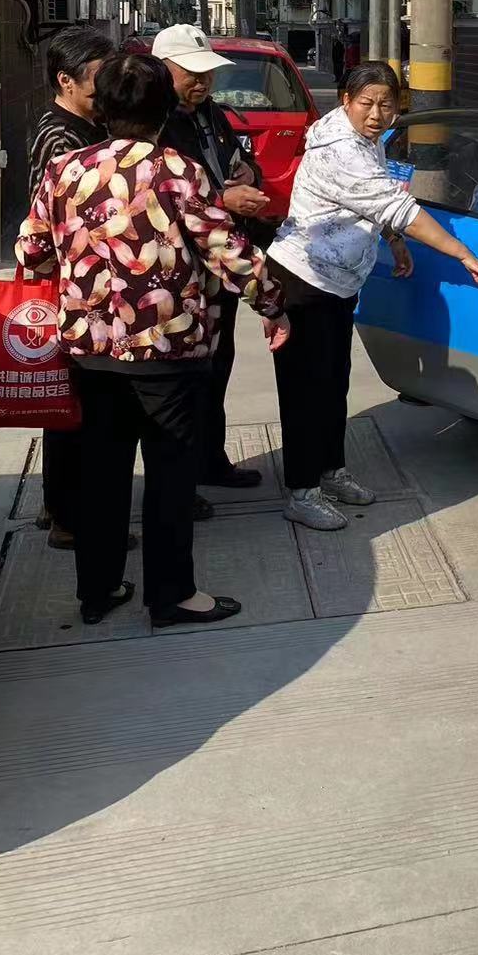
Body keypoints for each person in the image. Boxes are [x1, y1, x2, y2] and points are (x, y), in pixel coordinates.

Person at [16, 53, 290, 627]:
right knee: (169, 476)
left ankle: (98, 590)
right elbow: (225, 250)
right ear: (164, 109)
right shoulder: (178, 171)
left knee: (101, 474)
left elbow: (31, 252)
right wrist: (272, 304)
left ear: (104, 107)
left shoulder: (65, 170)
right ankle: (171, 595)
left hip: (91, 351)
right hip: (168, 349)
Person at [266, 62, 478, 531]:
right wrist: (460, 251)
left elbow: (377, 202)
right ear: (345, 101)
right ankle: (302, 492)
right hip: (303, 279)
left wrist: (392, 240)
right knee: (305, 391)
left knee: (333, 383)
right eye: (366, 103)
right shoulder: (339, 148)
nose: (376, 114)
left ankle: (329, 471)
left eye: (386, 105)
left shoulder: (366, 139)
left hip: (339, 280)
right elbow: (395, 205)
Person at [152, 24, 271, 499]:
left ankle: (210, 459)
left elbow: (241, 161)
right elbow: (163, 197)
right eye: (191, 73)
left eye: (208, 73)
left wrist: (248, 177)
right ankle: (181, 482)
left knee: (218, 364)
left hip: (221, 262)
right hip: (179, 269)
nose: (202, 82)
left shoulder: (211, 114)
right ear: (163, 70)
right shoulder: (154, 123)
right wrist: (224, 197)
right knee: (183, 377)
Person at [27, 24, 116, 551]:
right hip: (73, 292)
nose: (107, 88)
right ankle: (66, 516)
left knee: (74, 407)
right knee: (71, 410)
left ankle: (60, 504)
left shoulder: (87, 126)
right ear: (67, 80)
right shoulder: (61, 138)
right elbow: (49, 228)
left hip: (84, 291)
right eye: (99, 77)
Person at [331, 20, 348, 87]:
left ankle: (339, 79)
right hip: (335, 59)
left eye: (334, 38)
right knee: (335, 69)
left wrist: (341, 58)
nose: (333, 39)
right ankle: (336, 78)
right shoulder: (334, 44)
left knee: (339, 69)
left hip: (339, 59)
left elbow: (342, 51)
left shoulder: (339, 44)